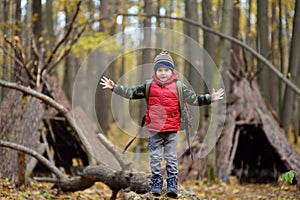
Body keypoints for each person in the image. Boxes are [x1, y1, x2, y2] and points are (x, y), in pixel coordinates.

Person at [100, 50, 224, 197]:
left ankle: (172, 183)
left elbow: (194, 99)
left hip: (172, 129)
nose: (163, 73)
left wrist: (211, 98)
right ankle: (157, 181)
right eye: (160, 70)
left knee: (171, 157)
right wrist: (115, 87)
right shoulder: (149, 86)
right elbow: (131, 93)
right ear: (155, 71)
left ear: (171, 71)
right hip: (154, 130)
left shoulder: (179, 87)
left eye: (166, 70)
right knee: (155, 157)